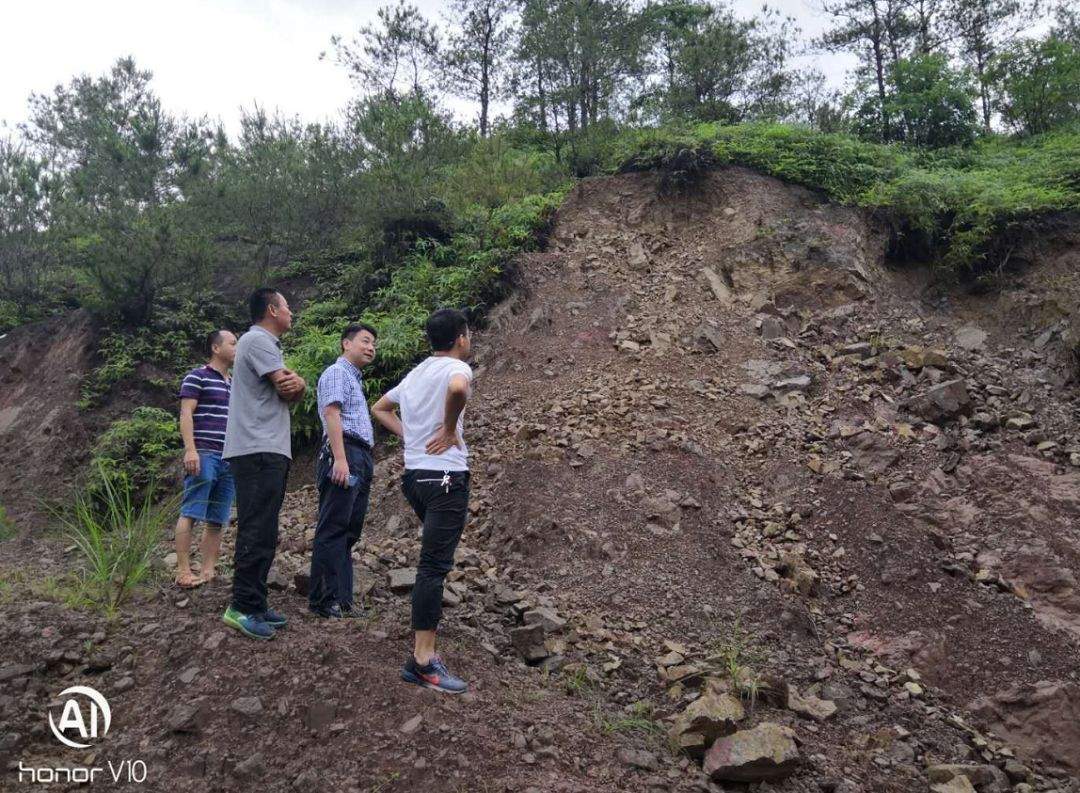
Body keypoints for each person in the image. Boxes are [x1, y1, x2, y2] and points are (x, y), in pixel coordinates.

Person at [371, 308, 474, 694]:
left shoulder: (414, 375)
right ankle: (423, 661)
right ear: (461, 338)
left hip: (415, 477)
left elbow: (379, 408)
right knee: (432, 567)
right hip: (445, 477)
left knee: (432, 564)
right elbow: (459, 391)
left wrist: (410, 438)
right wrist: (448, 430)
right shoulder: (456, 370)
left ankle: (423, 653)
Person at [221, 288, 306, 641]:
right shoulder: (257, 341)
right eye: (287, 306)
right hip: (256, 448)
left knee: (265, 527)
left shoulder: (263, 345)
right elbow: (290, 388)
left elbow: (293, 387)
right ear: (272, 309)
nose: (291, 312)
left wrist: (298, 383)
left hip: (264, 447)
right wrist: (298, 382)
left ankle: (255, 602)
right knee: (257, 528)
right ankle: (241, 605)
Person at [308, 323, 378, 619]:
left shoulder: (354, 380)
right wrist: (339, 458)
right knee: (334, 526)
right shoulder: (337, 373)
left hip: (359, 455)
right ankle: (323, 600)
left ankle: (343, 600)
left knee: (349, 531)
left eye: (374, 343)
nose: (371, 347)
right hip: (344, 451)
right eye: (364, 341)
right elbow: (331, 413)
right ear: (345, 344)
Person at [174, 329, 237, 588]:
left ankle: (209, 569)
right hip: (205, 452)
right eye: (233, 343)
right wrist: (190, 449)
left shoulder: (234, 383)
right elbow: (186, 414)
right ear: (216, 347)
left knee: (217, 517)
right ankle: (183, 571)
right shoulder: (197, 377)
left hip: (229, 457)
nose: (238, 347)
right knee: (191, 511)